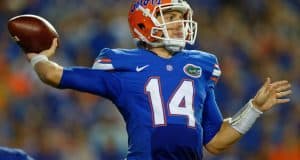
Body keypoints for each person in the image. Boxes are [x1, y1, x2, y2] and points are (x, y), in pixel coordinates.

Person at [25, 0, 292, 159]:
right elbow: (53, 75)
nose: (179, 24)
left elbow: (214, 141)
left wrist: (254, 109)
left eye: (181, 18)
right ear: (143, 21)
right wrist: (38, 56)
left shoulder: (201, 64)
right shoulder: (121, 63)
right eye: (171, 17)